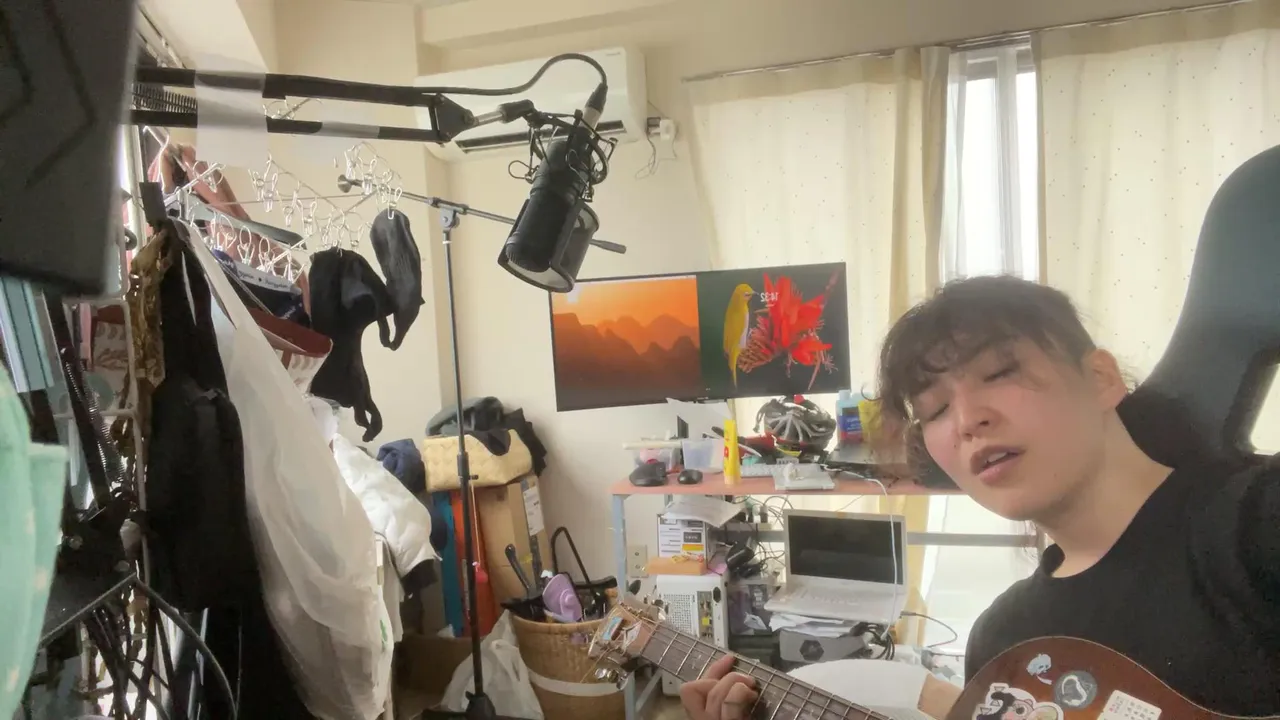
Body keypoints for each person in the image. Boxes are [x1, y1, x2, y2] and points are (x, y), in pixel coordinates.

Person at [682, 276, 1280, 720]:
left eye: (999, 373)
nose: (968, 420)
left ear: (1100, 379)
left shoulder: (1255, 521)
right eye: (936, 409)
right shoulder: (1006, 641)